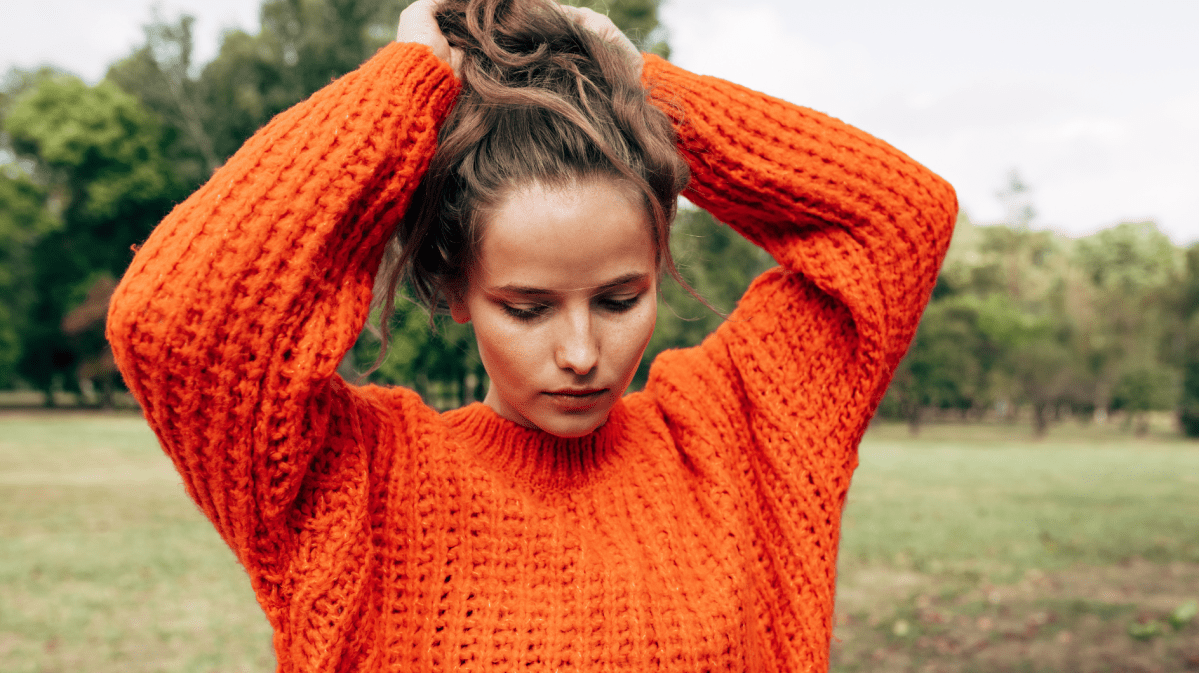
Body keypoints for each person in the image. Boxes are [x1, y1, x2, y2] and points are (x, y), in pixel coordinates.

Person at [107, 0, 957, 670]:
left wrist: (648, 93)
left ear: (658, 263)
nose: (583, 353)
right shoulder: (353, 485)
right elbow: (176, 320)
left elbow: (897, 219)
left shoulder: (739, 437)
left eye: (620, 298)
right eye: (529, 306)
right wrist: (405, 87)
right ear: (453, 288)